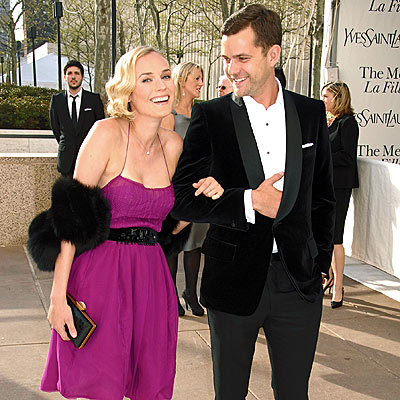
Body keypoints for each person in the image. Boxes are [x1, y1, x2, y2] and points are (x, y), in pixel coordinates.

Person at [29, 46, 223, 400]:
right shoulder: (106, 133)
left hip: (152, 278)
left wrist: (204, 195)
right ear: (128, 90)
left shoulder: (174, 145)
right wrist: (57, 297)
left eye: (165, 76)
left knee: (149, 382)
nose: (161, 86)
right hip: (99, 276)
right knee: (102, 383)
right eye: (146, 79)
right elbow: (70, 221)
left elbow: (171, 223)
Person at [171, 4, 335, 400]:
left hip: (297, 282)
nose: (231, 69)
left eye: (242, 58)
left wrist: (319, 262)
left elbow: (324, 197)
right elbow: (181, 200)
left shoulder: (310, 113)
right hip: (231, 280)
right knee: (229, 393)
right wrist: (248, 201)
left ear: (272, 54)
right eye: (227, 58)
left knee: (294, 392)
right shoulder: (211, 116)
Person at [162, 61, 208, 317]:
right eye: (196, 78)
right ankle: (170, 296)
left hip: (199, 186)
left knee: (195, 242)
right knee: (174, 242)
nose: (201, 83)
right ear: (182, 80)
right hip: (176, 187)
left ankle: (191, 293)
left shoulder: (202, 112)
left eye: (201, 78)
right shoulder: (170, 115)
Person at [321, 81, 359, 308]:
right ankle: (327, 277)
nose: (323, 100)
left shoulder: (348, 123)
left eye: (326, 96)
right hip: (325, 186)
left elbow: (347, 157)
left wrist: (323, 156)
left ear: (338, 97)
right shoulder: (329, 121)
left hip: (340, 187)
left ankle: (338, 286)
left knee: (335, 237)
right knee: (325, 234)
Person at [49, 60, 105, 177]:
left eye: (77, 73)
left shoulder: (93, 99)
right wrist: (66, 144)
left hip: (89, 158)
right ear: (65, 77)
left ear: (82, 77)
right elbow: (56, 127)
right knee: (67, 189)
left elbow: (100, 127)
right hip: (66, 159)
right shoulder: (57, 100)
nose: (73, 77)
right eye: (69, 73)